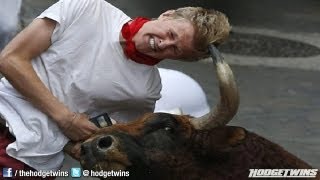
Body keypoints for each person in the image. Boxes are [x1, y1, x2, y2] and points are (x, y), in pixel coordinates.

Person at [0, 0, 230, 172]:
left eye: (175, 49)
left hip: (28, 160)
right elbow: (10, 59)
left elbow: (111, 141)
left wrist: (82, 145)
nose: (163, 44)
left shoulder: (146, 91)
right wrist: (65, 118)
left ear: (180, 60)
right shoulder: (87, 7)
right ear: (167, 14)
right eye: (170, 33)